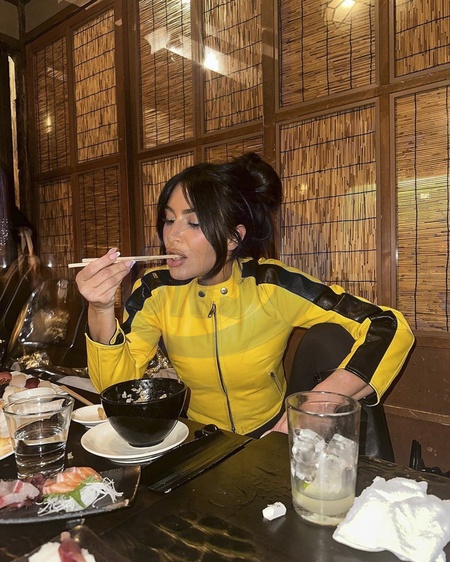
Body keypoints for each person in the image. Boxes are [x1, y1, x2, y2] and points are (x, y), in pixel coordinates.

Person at [76, 153, 414, 438]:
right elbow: (116, 389)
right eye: (168, 220)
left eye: (193, 224)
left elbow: (387, 325)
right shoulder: (154, 290)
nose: (171, 236)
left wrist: (318, 403)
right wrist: (100, 308)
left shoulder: (272, 283)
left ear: (232, 238)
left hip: (270, 435)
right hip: (199, 437)